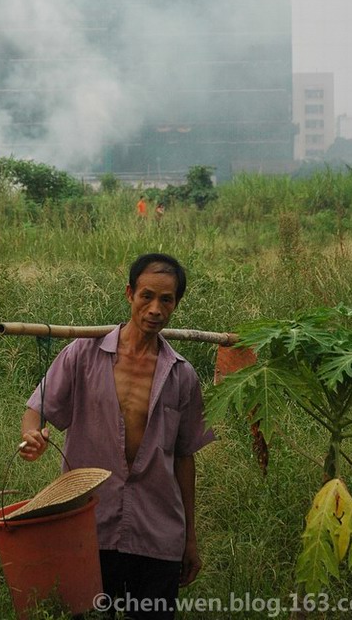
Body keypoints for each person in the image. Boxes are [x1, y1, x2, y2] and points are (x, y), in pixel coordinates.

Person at [19, 253, 215, 620]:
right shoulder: (82, 355)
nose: (155, 309)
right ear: (130, 294)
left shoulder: (182, 376)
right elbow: (36, 411)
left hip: (157, 533)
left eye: (166, 300)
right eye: (147, 296)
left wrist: (190, 538)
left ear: (176, 304)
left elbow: (185, 457)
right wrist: (33, 437)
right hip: (89, 527)